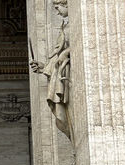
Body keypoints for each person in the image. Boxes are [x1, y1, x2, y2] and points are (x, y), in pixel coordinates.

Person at [29, 0, 73, 144]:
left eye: (57, 7)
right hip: (61, 74)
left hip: (67, 77)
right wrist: (43, 67)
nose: (57, 11)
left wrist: (66, 52)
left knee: (68, 114)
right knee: (65, 116)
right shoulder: (65, 26)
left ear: (65, 4)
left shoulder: (74, 24)